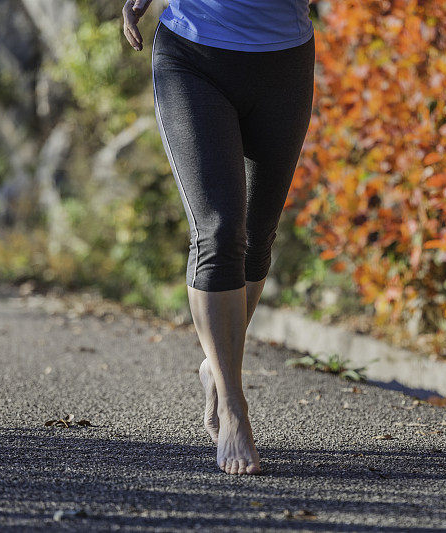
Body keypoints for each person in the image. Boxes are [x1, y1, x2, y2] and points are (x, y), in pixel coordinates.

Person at [122, 0, 315, 475]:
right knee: (219, 230)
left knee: (257, 233)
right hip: (193, 56)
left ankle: (217, 363)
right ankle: (232, 408)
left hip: (284, 62)